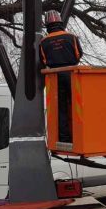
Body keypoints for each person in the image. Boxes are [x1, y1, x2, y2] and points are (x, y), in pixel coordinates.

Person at [39, 10, 83, 144]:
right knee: (78, 106)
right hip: (72, 75)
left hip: (55, 77)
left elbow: (44, 61)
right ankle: (80, 136)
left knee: (61, 108)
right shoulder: (71, 37)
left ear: (47, 24)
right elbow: (78, 55)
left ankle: (64, 138)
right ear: (60, 22)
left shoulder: (43, 42)